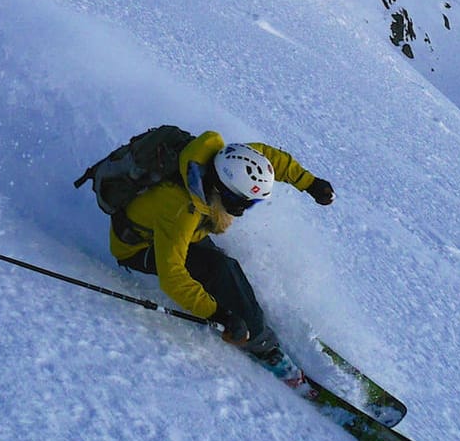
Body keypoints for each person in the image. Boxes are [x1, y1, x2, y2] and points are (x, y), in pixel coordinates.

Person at [107, 130, 333, 361]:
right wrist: (219, 315)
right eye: (245, 202)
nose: (245, 209)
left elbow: (269, 160)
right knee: (220, 268)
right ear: (226, 193)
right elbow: (172, 275)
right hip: (139, 247)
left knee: (224, 269)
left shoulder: (229, 159)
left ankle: (248, 317)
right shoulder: (181, 209)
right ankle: (261, 343)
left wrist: (310, 183)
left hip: (182, 233)